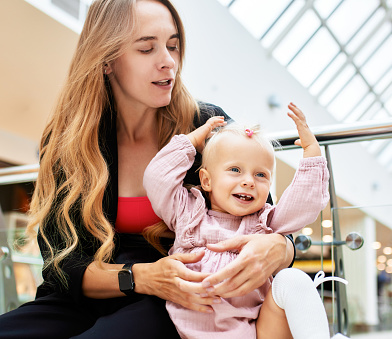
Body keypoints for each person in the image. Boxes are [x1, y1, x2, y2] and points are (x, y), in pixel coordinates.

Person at [0, 0, 296, 338]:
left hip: (177, 300)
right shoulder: (68, 140)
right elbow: (61, 267)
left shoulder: (207, 127)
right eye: (146, 48)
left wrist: (282, 247)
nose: (168, 61)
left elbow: (269, 220)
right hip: (90, 294)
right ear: (107, 60)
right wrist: (140, 277)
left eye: (172, 45)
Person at [144, 103, 347, 338]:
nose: (249, 181)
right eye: (235, 170)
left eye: (261, 175)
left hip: (260, 330)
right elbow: (156, 178)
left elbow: (305, 204)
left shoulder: (265, 223)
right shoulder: (188, 214)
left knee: (293, 279)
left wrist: (312, 151)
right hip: (198, 334)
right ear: (206, 180)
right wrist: (191, 141)